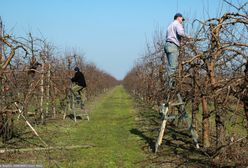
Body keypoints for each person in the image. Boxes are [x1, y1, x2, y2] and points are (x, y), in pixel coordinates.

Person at [164, 13, 189, 87]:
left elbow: (172, 36)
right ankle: (171, 86)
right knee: (173, 67)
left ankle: (168, 83)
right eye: (182, 19)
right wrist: (188, 36)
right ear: (178, 18)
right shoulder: (177, 24)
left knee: (170, 66)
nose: (182, 21)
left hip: (167, 45)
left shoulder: (170, 25)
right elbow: (180, 33)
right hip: (173, 46)